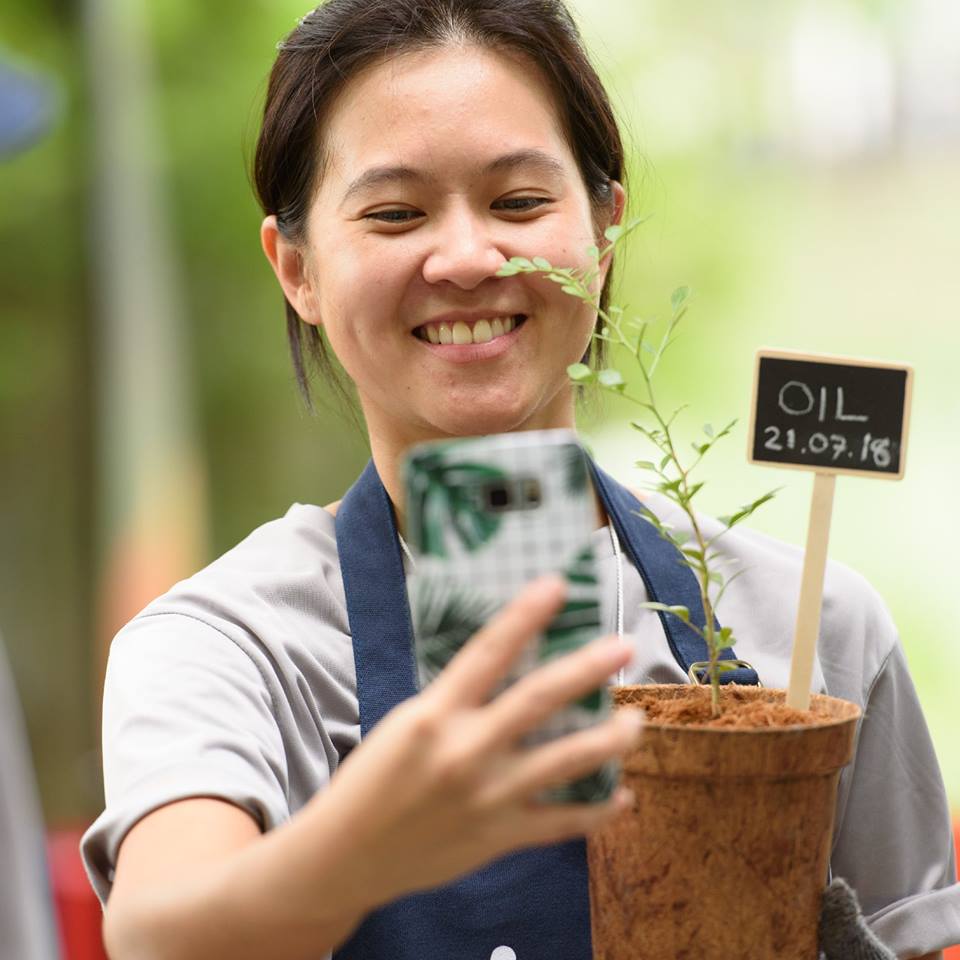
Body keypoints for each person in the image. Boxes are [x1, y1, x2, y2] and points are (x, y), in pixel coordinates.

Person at [80, 2, 957, 958]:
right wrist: (364, 847)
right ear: (296, 267)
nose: (466, 258)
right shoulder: (228, 646)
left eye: (520, 203)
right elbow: (160, 935)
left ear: (605, 224)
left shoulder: (813, 624)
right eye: (394, 213)